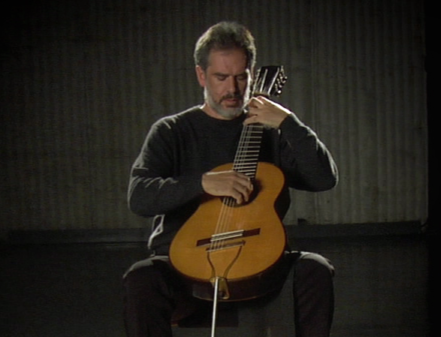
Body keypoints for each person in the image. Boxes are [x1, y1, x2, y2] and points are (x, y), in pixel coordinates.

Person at [123, 21, 338, 337]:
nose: (233, 89)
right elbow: (139, 195)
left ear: (252, 74)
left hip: (261, 263)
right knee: (140, 279)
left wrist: (288, 123)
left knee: (315, 269)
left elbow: (324, 178)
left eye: (241, 77)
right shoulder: (171, 131)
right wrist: (202, 183)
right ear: (201, 76)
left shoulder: (271, 132)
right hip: (184, 264)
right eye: (221, 78)